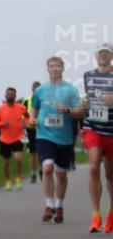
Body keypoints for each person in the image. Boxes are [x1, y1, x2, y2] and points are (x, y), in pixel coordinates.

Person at [28, 56, 85, 224]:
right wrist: (32, 118)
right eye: (51, 66)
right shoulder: (41, 90)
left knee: (60, 174)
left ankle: (59, 206)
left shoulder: (71, 90)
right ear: (47, 69)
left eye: (57, 66)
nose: (54, 69)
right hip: (44, 135)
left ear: (62, 68)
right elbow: (34, 107)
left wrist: (67, 110)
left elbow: (80, 112)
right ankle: (48, 205)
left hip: (65, 137)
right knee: (47, 168)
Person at [81, 43, 113, 234]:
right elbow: (89, 98)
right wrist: (84, 101)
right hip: (92, 126)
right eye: (100, 53)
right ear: (95, 55)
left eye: (106, 53)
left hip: (111, 129)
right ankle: (95, 214)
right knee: (93, 166)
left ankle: (111, 212)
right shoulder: (88, 76)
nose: (103, 56)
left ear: (111, 56)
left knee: (110, 175)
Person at [0, 87, 27, 191]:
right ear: (6, 96)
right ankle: (8, 181)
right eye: (9, 94)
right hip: (5, 139)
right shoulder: (1, 109)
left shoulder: (21, 107)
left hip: (18, 137)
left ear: (15, 96)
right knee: (6, 162)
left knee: (18, 159)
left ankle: (18, 178)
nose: (10, 96)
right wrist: (2, 124)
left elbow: (28, 117)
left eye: (12, 94)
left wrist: (26, 123)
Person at [22, 81, 41, 183]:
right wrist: (26, 124)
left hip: (42, 129)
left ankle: (41, 169)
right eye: (35, 89)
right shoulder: (27, 100)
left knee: (41, 151)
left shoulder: (44, 99)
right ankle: (33, 172)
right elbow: (23, 115)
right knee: (32, 152)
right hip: (30, 129)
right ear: (32, 89)